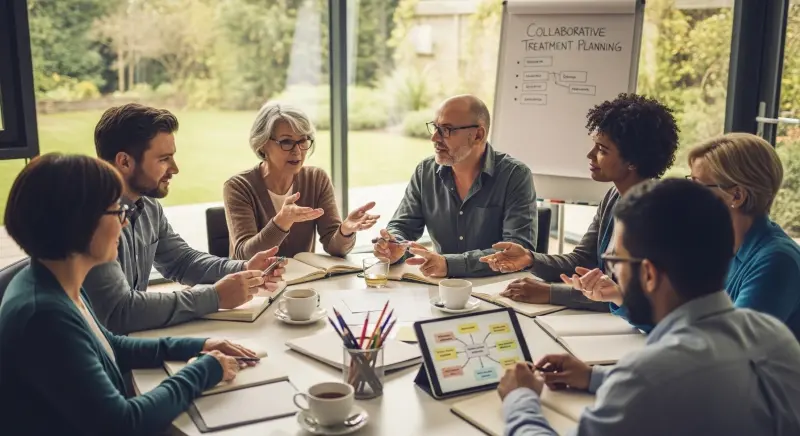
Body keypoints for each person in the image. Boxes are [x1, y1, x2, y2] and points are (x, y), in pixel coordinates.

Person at [497, 179, 800, 436]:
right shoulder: (775, 337)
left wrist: (519, 398)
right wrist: (594, 377)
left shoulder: (647, 379)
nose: (612, 274)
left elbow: (657, 383)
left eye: (615, 261)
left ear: (649, 274)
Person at [0, 154, 258, 435]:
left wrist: (201, 345)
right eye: (116, 211)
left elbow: (111, 347)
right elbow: (125, 423)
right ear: (79, 222)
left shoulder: (55, 281)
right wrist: (203, 371)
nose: (124, 224)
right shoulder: (45, 317)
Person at [83, 103, 285, 334]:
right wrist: (214, 297)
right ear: (124, 162)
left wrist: (242, 267)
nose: (175, 168)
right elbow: (120, 312)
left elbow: (182, 261)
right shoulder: (91, 222)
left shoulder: (148, 206)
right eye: (164, 159)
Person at [479, 93, 679, 311]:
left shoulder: (660, 213)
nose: (590, 155)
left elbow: (637, 297)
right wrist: (530, 259)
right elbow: (583, 259)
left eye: (602, 150)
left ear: (633, 161)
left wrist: (549, 293)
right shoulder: (614, 196)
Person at [373, 94, 537, 278]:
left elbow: (518, 252)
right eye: (435, 127)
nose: (434, 138)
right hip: (442, 288)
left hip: (498, 287)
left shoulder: (514, 175)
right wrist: (394, 246)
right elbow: (402, 225)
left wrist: (449, 264)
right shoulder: (425, 172)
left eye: (447, 130)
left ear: (478, 135)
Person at [224, 101, 379, 260]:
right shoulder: (238, 187)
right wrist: (281, 222)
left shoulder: (316, 179)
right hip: (254, 282)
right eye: (286, 141)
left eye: (303, 140)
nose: (297, 151)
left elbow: (335, 248)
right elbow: (245, 255)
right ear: (262, 144)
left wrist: (345, 231)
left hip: (303, 282)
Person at [687, 133, 800, 338]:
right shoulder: (718, 246)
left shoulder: (777, 260)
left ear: (737, 196)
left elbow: (730, 345)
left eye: (697, 186)